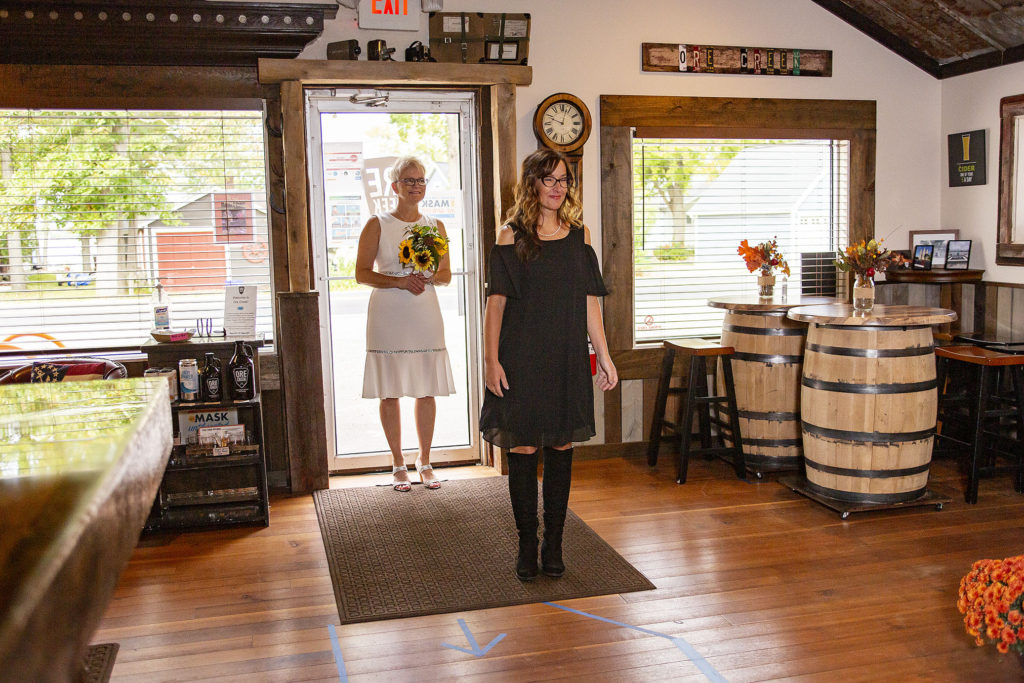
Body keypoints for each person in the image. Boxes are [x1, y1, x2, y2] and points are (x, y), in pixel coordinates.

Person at [479, 149, 618, 581]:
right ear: (532, 184)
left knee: (561, 447)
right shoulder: (510, 235)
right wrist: (490, 361)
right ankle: (527, 543)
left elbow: (590, 305)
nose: (557, 187)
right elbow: (495, 305)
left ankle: (554, 543)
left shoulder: (581, 237)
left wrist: (604, 355)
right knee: (523, 447)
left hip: (565, 358)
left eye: (563, 180)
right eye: (549, 179)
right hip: (519, 359)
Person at [356, 156, 455, 491]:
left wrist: (424, 276)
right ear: (395, 185)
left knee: (426, 388)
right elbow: (361, 272)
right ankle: (398, 463)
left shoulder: (435, 225)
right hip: (388, 313)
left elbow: (445, 275)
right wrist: (398, 281)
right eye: (409, 180)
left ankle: (424, 461)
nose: (416, 186)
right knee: (391, 390)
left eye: (421, 180)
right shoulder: (377, 223)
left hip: (424, 312)